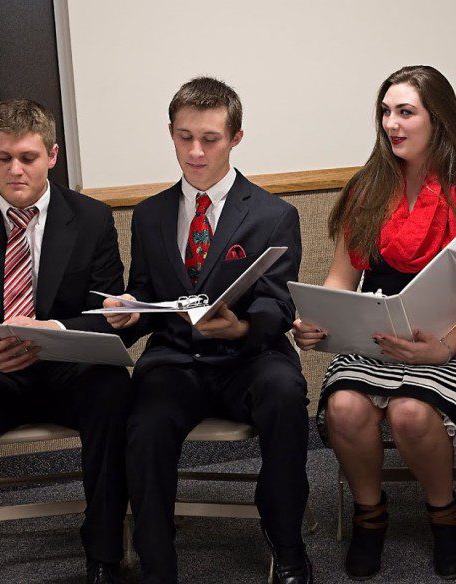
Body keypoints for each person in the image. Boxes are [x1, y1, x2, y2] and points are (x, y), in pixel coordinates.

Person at [291, 65, 456, 580]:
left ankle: (444, 513)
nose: (392, 123)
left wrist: (443, 349)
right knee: (343, 407)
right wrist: (315, 317)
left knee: (411, 413)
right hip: (374, 333)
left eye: (405, 112)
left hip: (446, 338)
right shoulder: (367, 188)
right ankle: (370, 514)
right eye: (385, 112)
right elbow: (342, 276)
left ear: (439, 120)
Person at [103, 77, 310, 584]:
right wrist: (130, 313)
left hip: (251, 357)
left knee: (286, 394)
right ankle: (157, 562)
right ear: (171, 133)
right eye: (183, 136)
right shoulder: (150, 214)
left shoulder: (273, 214)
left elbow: (279, 304)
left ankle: (286, 543)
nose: (195, 152)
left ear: (236, 138)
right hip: (176, 359)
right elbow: (146, 292)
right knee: (145, 422)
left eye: (210, 139)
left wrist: (240, 326)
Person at [0, 99, 132, 584]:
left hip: (66, 370)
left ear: (52, 156)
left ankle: (104, 555)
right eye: (3, 158)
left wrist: (56, 330)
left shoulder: (93, 218)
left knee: (115, 392)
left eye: (28, 158)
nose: (15, 170)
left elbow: (108, 310)